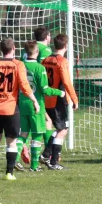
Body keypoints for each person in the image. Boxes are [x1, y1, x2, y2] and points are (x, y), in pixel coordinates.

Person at [0, 37, 40, 180]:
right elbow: (24, 86)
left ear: (1, 50)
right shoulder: (18, 65)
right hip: (10, 109)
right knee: (11, 141)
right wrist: (34, 101)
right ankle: (9, 173)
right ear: (13, 49)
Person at [14, 41, 64, 172]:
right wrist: (60, 92)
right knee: (36, 135)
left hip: (23, 103)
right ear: (37, 53)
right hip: (36, 104)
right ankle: (34, 166)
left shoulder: (19, 66)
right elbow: (45, 89)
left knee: (23, 133)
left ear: (25, 53)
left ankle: (15, 158)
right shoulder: (39, 68)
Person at [41, 34, 79, 170]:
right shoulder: (62, 61)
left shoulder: (45, 60)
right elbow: (67, 82)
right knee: (63, 129)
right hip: (58, 99)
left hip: (47, 98)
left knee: (59, 128)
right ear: (66, 46)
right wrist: (74, 99)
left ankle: (45, 155)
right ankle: (53, 162)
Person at [19, 27, 53, 166]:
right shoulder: (45, 50)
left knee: (28, 128)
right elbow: (46, 69)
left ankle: (24, 148)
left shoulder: (25, 50)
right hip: (38, 93)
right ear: (47, 37)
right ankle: (48, 154)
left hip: (24, 93)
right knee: (44, 124)